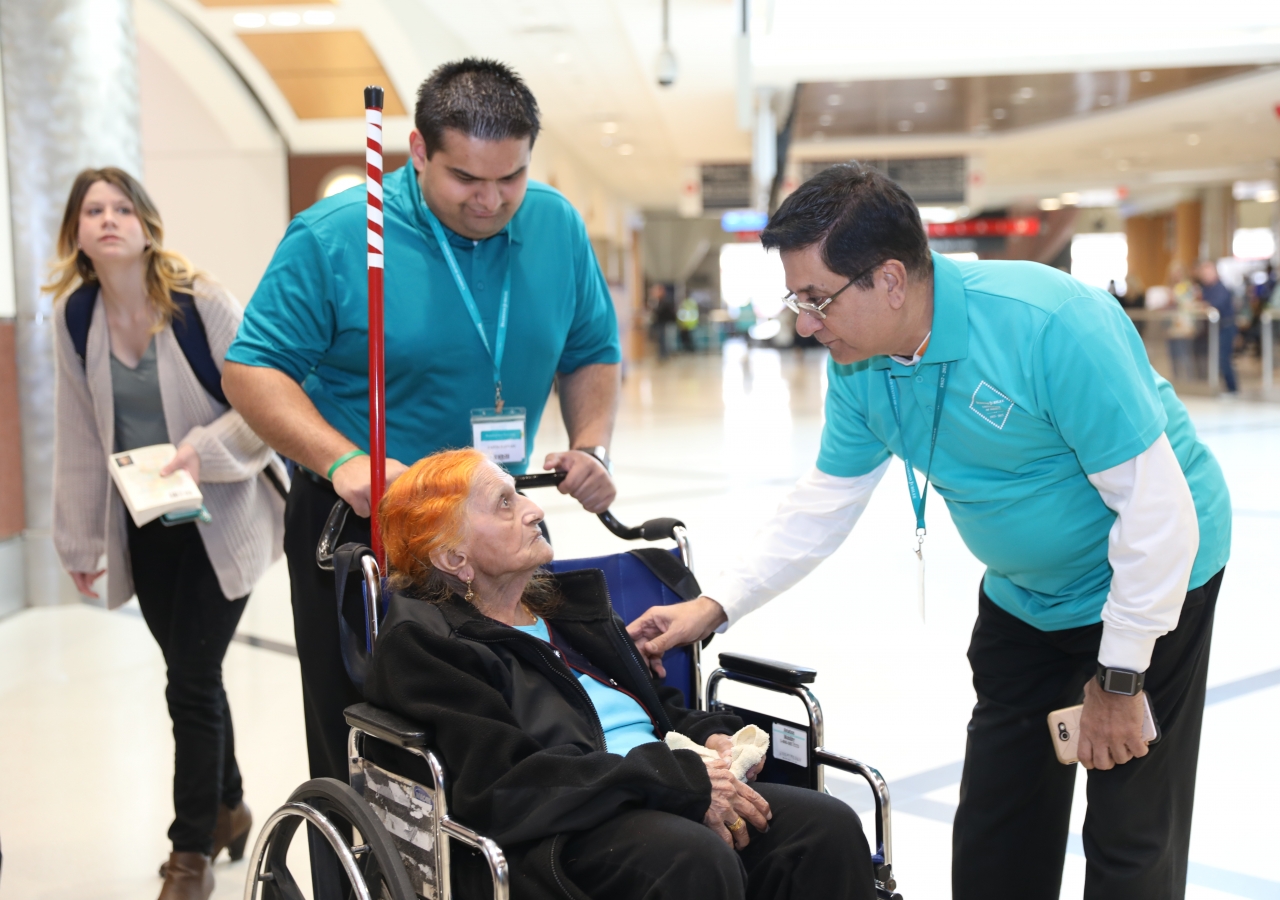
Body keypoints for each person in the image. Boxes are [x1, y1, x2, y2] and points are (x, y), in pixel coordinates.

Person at [627, 163, 1231, 900]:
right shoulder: (860, 367)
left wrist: (1119, 676)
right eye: (796, 300)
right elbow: (825, 501)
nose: (804, 324)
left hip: (1150, 587)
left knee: (1131, 838)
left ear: (889, 280)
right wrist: (713, 603)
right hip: (1026, 600)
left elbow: (1159, 515)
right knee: (996, 830)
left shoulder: (1049, 324)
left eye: (816, 299)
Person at [222, 58, 622, 787]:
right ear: (416, 152)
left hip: (492, 522)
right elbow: (252, 369)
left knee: (511, 723)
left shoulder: (557, 225)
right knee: (370, 737)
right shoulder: (338, 236)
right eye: (467, 179)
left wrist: (591, 442)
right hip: (365, 523)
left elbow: (592, 349)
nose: (492, 200)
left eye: (512, 177)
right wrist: (345, 461)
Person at [364, 448, 878, 900]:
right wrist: (672, 781)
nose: (534, 510)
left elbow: (659, 708)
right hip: (565, 829)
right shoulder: (429, 645)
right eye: (504, 503)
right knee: (692, 859)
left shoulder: (570, 612)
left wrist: (710, 736)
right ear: (454, 556)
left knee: (825, 828)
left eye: (519, 494)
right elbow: (505, 787)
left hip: (665, 787)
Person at [50, 168, 286, 900]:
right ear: (78, 233)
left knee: (187, 679)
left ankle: (189, 855)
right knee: (197, 677)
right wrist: (79, 541)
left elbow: (266, 404)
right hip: (148, 524)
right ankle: (229, 806)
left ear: (148, 226)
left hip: (226, 516)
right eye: (94, 210)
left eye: (124, 207)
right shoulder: (76, 315)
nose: (110, 219)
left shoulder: (199, 302)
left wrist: (201, 451)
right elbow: (81, 436)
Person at [1197, 259, 1238, 394]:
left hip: (1225, 327)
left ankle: (1232, 388)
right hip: (1215, 329)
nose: (1205, 275)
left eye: (1208, 272)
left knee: (1223, 358)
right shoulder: (1205, 289)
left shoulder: (1221, 288)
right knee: (1218, 357)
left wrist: (1204, 305)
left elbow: (1216, 305)